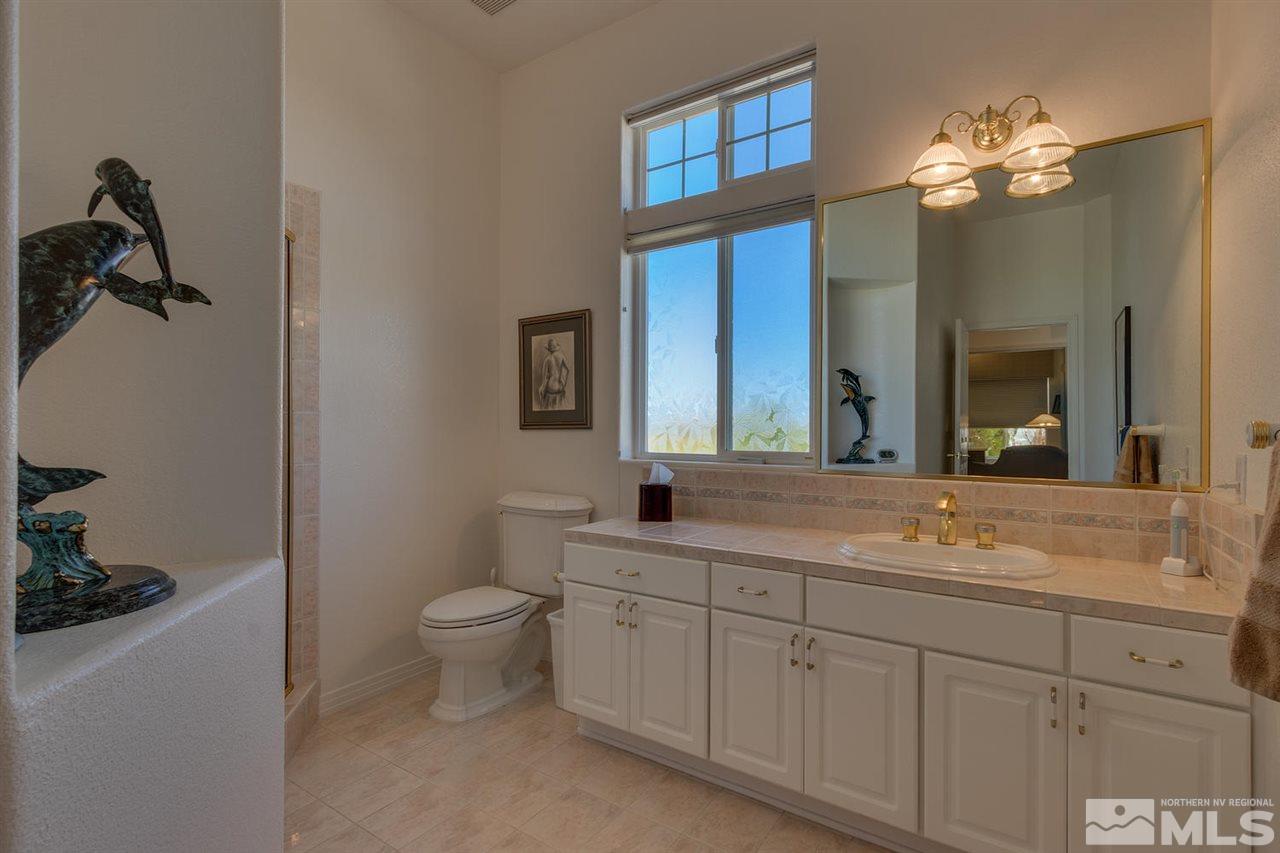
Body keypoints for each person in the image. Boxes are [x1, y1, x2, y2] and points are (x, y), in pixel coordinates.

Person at [538, 337, 570, 410]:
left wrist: (542, 389)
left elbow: (545, 377)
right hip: (560, 387)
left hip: (551, 388)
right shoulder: (562, 357)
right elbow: (567, 370)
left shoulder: (547, 359)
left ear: (549, 349)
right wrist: (563, 382)